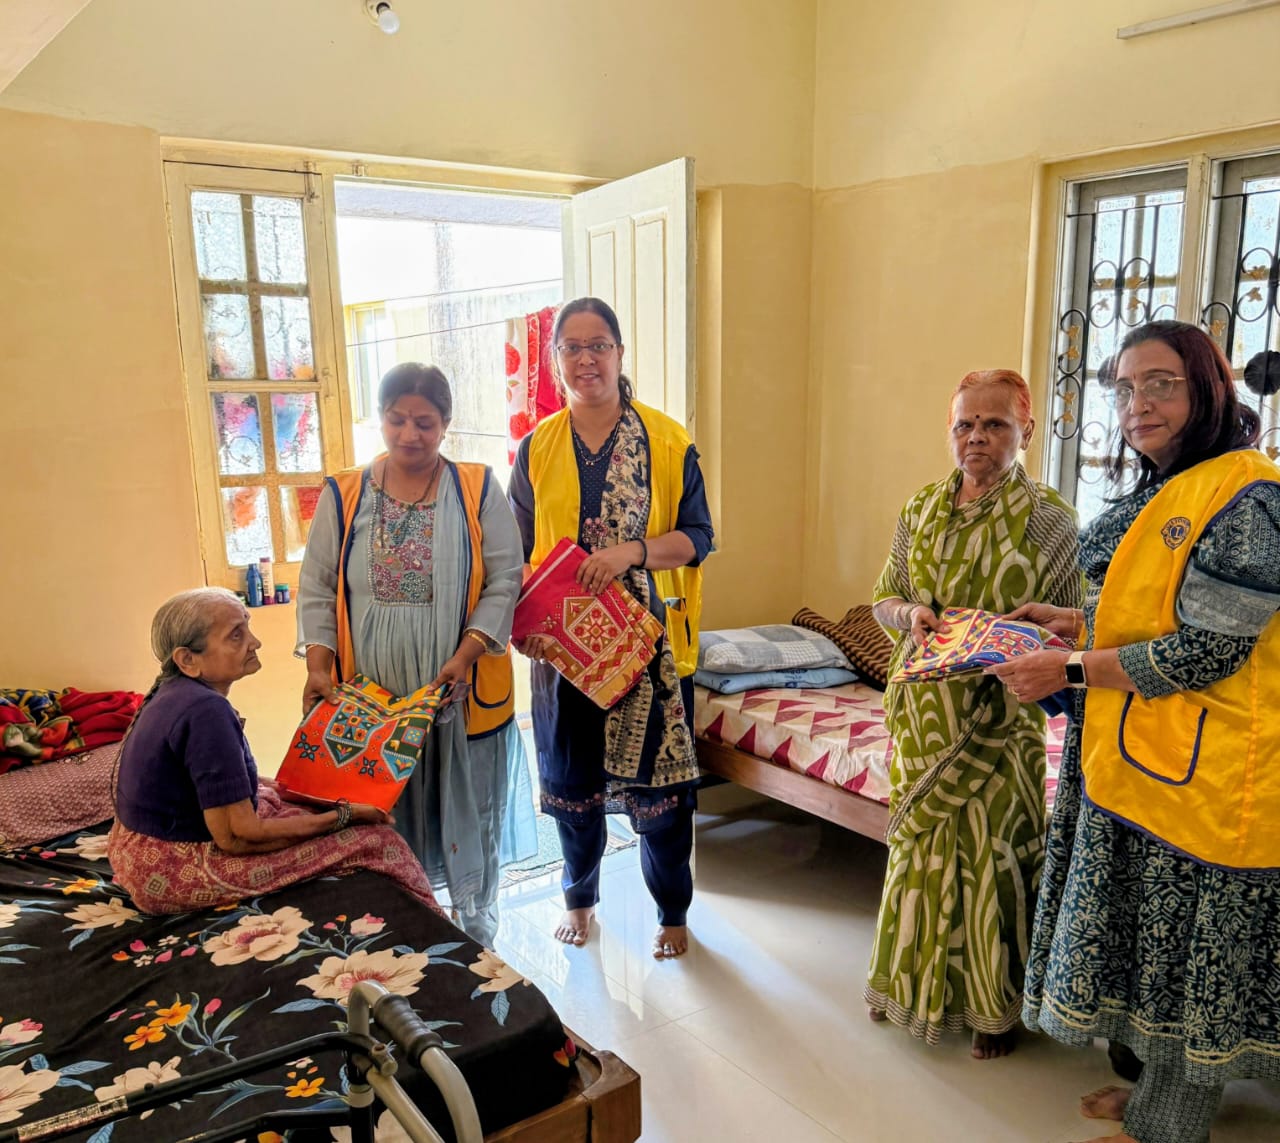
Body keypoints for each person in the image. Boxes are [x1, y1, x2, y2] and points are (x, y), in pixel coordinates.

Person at [993, 321, 1280, 1143]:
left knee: (1194, 965)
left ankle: (1165, 1126)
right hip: (1150, 760)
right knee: (1164, 963)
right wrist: (1073, 622)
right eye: (1122, 387)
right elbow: (1155, 611)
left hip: (1218, 779)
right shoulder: (1176, 484)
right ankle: (1160, 1090)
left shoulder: (1249, 496)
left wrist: (1070, 668)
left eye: (1160, 383)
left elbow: (1209, 649)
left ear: (1209, 391)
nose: (1136, 403)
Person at [866, 369, 1082, 1058]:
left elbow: (1075, 627)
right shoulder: (920, 508)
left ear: (1025, 429)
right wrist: (913, 615)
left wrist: (1020, 640)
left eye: (994, 424)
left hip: (1001, 722)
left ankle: (994, 1010)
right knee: (920, 854)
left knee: (992, 859)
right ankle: (905, 985)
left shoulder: (1050, 521)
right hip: (923, 714)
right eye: (964, 424)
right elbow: (883, 597)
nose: (977, 437)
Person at [297, 364, 535, 948]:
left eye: (425, 422)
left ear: (446, 424)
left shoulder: (478, 488)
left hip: (456, 690)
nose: (410, 434)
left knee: (465, 817)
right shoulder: (344, 494)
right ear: (379, 418)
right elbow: (318, 586)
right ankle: (393, 931)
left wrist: (468, 652)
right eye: (397, 419)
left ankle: (476, 942)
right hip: (372, 697)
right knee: (379, 817)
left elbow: (505, 580)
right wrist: (318, 666)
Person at [508, 297, 714, 960]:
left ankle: (672, 908)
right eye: (572, 347)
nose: (587, 358)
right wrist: (522, 626)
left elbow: (699, 538)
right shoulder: (535, 447)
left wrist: (631, 552)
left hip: (649, 647)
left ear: (621, 354)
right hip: (562, 650)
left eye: (599, 345)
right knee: (574, 785)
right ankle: (579, 897)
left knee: (662, 793)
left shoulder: (668, 438)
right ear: (556, 362)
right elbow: (514, 555)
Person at [110, 588, 440, 914]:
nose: (255, 642)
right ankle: (433, 929)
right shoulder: (206, 711)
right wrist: (346, 816)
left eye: (247, 627)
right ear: (187, 659)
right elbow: (238, 838)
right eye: (236, 636)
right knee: (378, 841)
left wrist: (295, 794)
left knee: (280, 797)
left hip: (131, 853)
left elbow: (216, 786)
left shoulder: (171, 691)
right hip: (168, 871)